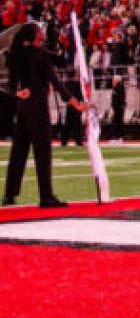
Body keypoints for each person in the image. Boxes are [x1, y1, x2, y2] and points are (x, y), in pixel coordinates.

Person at [3, 23, 85, 208]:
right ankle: (46, 196)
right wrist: (75, 103)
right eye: (40, 31)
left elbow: (11, 85)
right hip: (38, 107)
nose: (42, 33)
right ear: (34, 36)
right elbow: (56, 82)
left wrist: (19, 92)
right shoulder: (40, 55)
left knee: (18, 153)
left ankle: (9, 195)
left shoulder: (18, 54)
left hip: (23, 107)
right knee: (43, 152)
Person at [59, 76, 85, 147]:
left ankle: (76, 141)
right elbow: (64, 96)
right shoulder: (70, 85)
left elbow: (82, 95)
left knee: (75, 124)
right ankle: (66, 141)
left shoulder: (77, 85)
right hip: (72, 106)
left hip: (76, 106)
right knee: (70, 124)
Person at [110, 75, 126, 144]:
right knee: (116, 122)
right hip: (117, 107)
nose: (112, 81)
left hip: (118, 108)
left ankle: (119, 137)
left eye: (114, 79)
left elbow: (118, 99)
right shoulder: (116, 87)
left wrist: (114, 107)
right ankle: (117, 137)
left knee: (118, 122)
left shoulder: (119, 87)